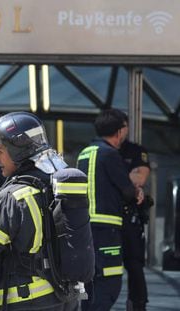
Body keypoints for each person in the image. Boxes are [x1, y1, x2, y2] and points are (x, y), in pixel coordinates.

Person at [0, 112, 79, 311]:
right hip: (65, 297)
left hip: (25, 301)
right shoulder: (58, 184)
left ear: (17, 151)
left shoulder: (12, 197)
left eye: (0, 151)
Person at [77, 108, 143, 311]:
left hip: (85, 228)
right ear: (120, 131)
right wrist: (137, 192)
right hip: (107, 229)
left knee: (89, 283)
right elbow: (126, 191)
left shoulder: (85, 153)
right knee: (108, 283)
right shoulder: (110, 154)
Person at [120, 139, 151, 311]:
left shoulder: (134, 150)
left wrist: (116, 177)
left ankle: (138, 304)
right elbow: (133, 178)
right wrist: (127, 176)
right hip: (108, 219)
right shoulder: (101, 151)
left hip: (130, 217)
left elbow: (140, 177)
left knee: (134, 265)